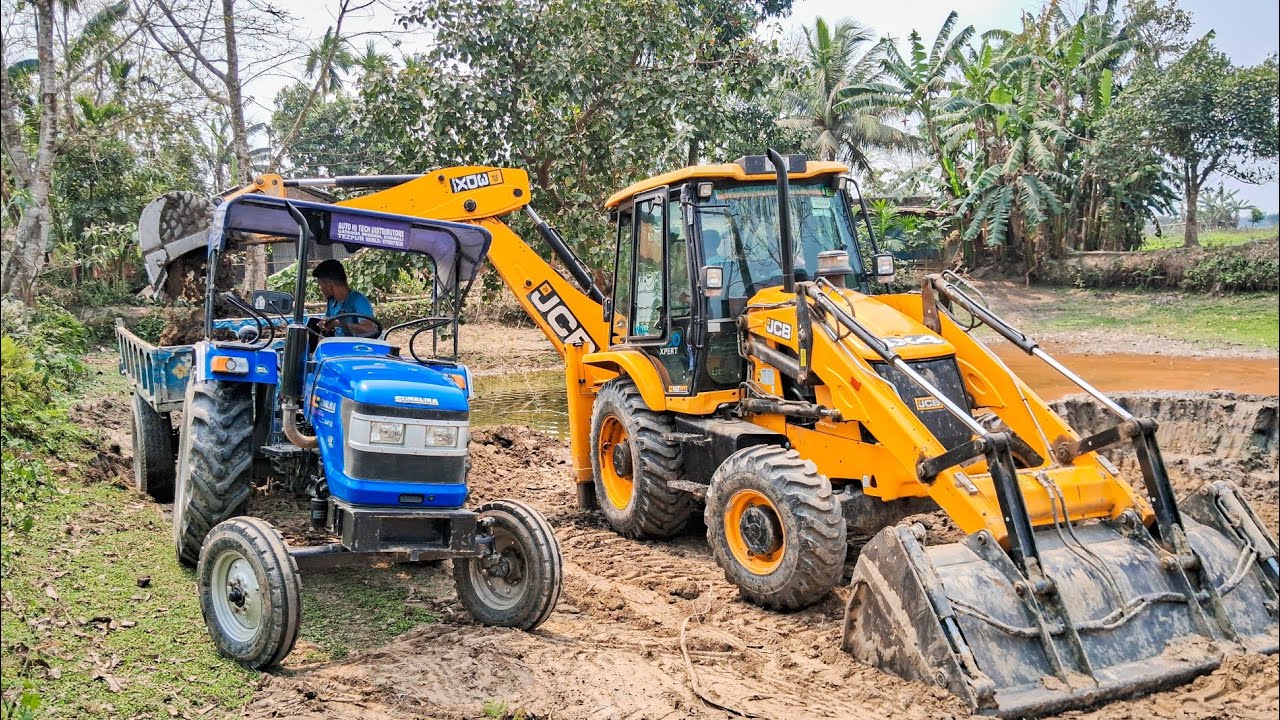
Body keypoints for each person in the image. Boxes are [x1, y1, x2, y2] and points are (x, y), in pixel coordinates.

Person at [312, 259, 377, 337]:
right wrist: (325, 326)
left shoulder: (358, 300)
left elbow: (368, 328)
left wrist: (339, 323)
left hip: (355, 344)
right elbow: (329, 326)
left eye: (320, 284)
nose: (321, 289)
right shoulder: (332, 301)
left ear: (329, 284)